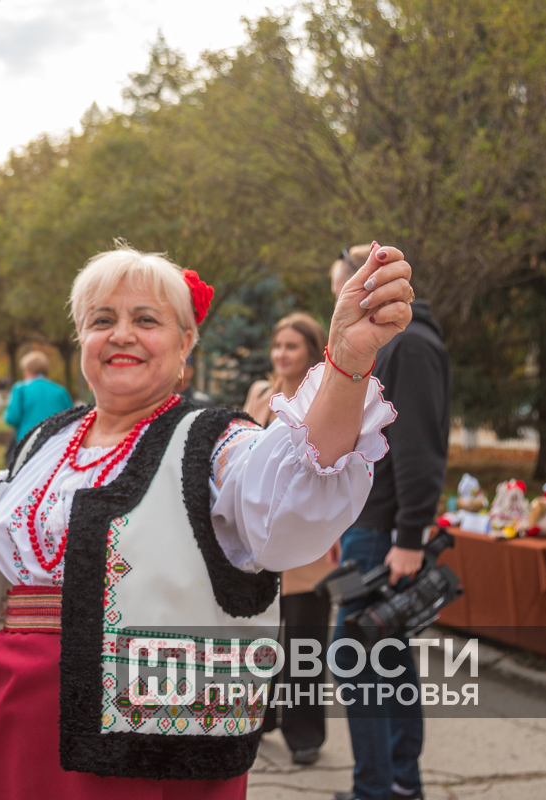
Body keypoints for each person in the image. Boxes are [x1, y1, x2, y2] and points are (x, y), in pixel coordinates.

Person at [0, 242, 412, 799]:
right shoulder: (48, 443)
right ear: (82, 339)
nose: (121, 334)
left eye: (146, 320)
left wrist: (346, 364)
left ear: (185, 342)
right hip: (15, 724)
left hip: (147, 748)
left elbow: (290, 494)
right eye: (102, 320)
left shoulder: (213, 440)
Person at [328, 244, 450, 800]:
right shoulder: (394, 346)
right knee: (388, 658)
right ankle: (401, 783)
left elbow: (419, 451)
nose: (341, 303)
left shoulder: (410, 346)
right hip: (368, 528)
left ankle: (376, 788)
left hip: (384, 537)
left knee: (356, 658)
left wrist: (410, 538)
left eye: (344, 289)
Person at [243, 312, 340, 765]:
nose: (281, 354)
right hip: (259, 537)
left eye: (292, 346)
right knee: (258, 636)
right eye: (277, 345)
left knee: (304, 640)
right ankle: (261, 717)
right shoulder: (260, 394)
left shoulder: (324, 397)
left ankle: (304, 733)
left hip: (307, 537)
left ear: (311, 351)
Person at [3, 351, 73, 449]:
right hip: (56, 443)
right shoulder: (60, 390)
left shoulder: (20, 389)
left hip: (27, 442)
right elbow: (71, 417)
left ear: (27, 370)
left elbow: (12, 418)